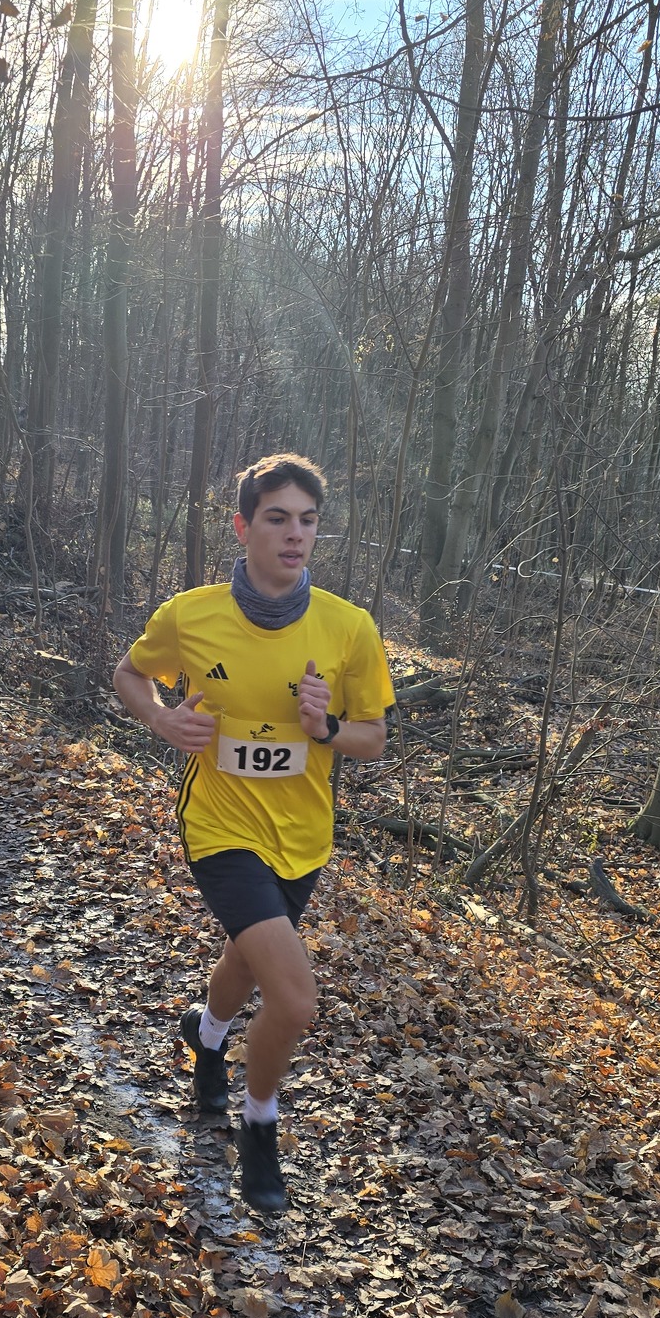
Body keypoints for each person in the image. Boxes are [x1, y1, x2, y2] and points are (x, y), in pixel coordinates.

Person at [113, 454, 394, 1215]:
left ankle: (206, 1037)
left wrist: (325, 728)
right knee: (294, 1001)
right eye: (277, 518)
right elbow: (130, 674)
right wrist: (161, 719)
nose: (295, 534)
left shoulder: (348, 627)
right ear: (242, 527)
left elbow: (372, 737)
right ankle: (260, 1123)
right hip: (220, 825)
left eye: (308, 520)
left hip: (302, 835)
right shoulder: (192, 615)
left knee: (244, 957)